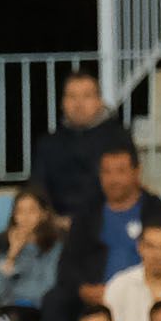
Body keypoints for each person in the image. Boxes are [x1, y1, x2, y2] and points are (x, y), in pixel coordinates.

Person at [44, 148, 161, 321]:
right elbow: (68, 262)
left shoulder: (157, 210)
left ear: (136, 171)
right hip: (94, 295)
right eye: (106, 172)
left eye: (120, 171)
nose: (113, 179)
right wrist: (84, 289)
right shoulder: (86, 213)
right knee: (54, 299)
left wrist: (125, 291)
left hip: (141, 292)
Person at [29, 70, 136, 220]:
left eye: (87, 96)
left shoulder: (118, 139)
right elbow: (37, 189)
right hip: (56, 227)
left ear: (99, 101)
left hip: (105, 223)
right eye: (72, 97)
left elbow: (128, 188)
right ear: (62, 103)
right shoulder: (47, 144)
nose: (78, 104)